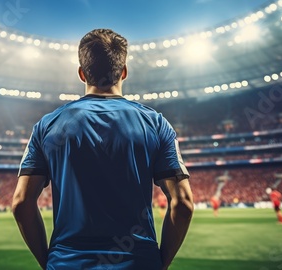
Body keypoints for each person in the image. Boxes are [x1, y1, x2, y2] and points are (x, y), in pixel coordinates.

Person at [13, 28, 194, 270]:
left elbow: (21, 202)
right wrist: (158, 264)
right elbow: (183, 204)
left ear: (81, 73)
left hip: (67, 263)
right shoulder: (156, 124)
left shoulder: (47, 126)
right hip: (138, 263)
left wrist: (49, 263)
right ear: (124, 72)